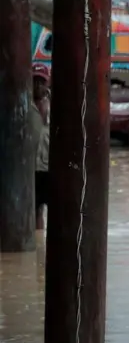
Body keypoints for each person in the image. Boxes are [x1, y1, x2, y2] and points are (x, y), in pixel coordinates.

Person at [31, 64, 51, 231]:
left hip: (50, 168)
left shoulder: (56, 105)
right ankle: (38, 246)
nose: (38, 85)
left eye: (41, 81)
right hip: (30, 168)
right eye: (34, 81)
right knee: (34, 210)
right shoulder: (24, 105)